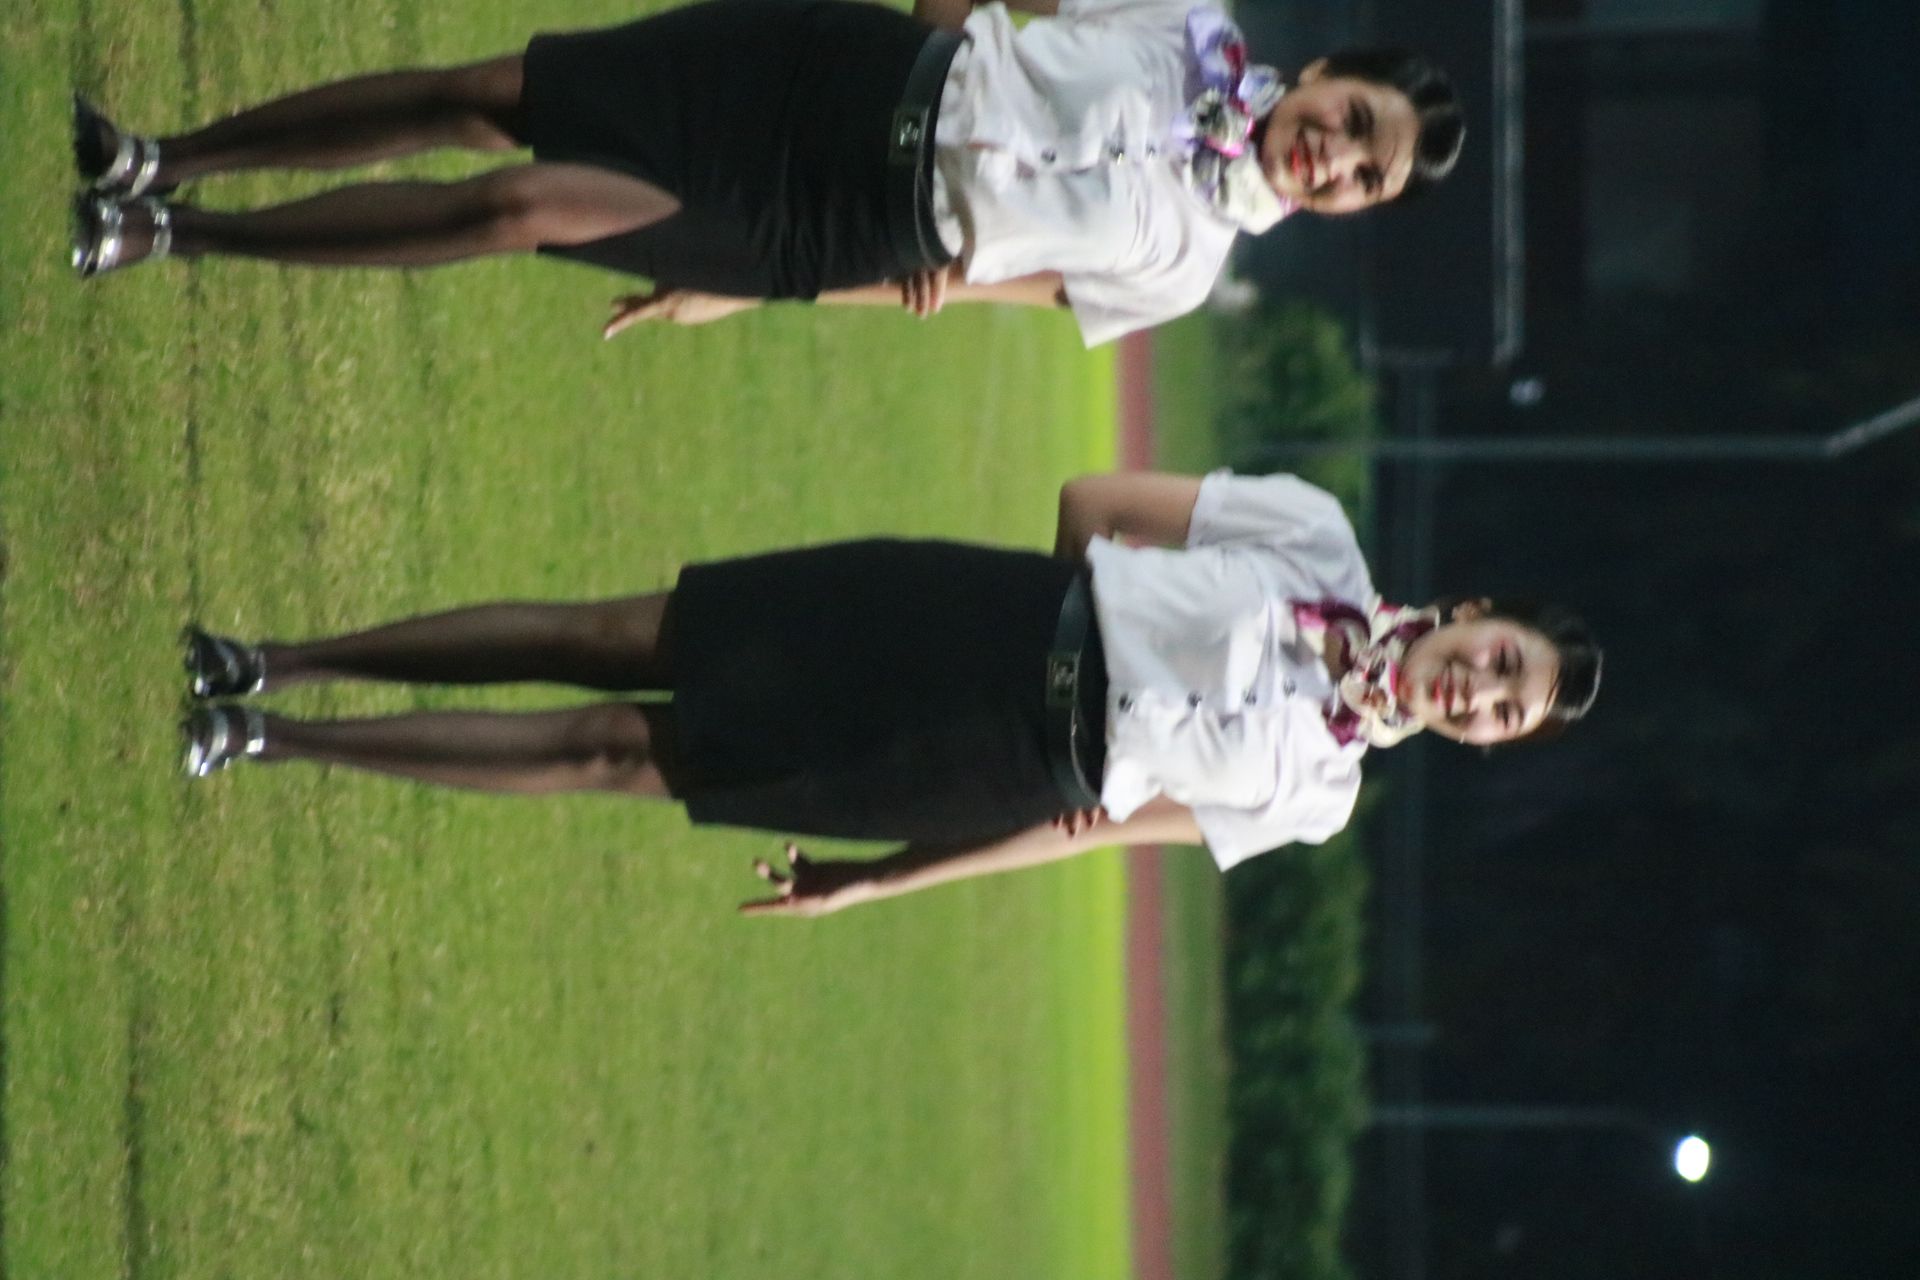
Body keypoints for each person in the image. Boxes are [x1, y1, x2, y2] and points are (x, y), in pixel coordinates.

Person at [178, 470, 1600, 915]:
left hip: (990, 769)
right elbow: (1097, 501)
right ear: (1474, 616)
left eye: (1502, 712)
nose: (1479, 692)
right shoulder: (1316, 539)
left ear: (1482, 742)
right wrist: (1048, 630)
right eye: (1502, 664)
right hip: (976, 617)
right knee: (616, 637)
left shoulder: (1319, 796)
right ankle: (278, 659)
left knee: (616, 756)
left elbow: (1088, 834)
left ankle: (266, 737)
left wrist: (879, 881)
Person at [71, 0, 1463, 345]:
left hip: (838, 223)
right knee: (489, 99)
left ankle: (174, 236)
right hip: (836, 77)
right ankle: (160, 158)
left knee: (513, 209)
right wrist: (927, 41)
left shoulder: (1187, 267)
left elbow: (990, 291)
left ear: (1353, 207)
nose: (1335, 155)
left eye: (1363, 176)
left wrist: (744, 292)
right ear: (1326, 71)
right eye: (1354, 120)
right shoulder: (1186, 22)